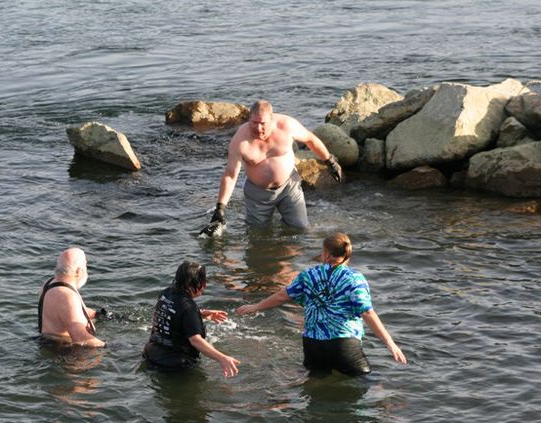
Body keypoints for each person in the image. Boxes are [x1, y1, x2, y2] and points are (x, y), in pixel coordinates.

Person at [236, 233, 406, 375]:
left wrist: (255, 307)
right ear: (347, 254)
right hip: (343, 343)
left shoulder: (309, 274)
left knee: (315, 387)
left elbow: (282, 296)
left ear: (325, 253)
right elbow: (367, 313)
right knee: (368, 383)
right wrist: (390, 344)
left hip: (313, 345)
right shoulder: (354, 278)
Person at [201, 100, 342, 233]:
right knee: (257, 235)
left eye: (262, 123)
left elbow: (310, 139)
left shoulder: (286, 126)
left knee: (300, 230)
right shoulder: (240, 141)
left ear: (272, 119)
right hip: (258, 194)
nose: (258, 128)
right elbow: (231, 175)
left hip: (289, 187)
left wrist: (330, 162)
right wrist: (220, 208)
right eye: (254, 122)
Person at [143, 261, 240, 377]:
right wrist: (222, 358)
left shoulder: (167, 293)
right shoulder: (189, 307)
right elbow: (196, 340)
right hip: (174, 365)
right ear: (199, 284)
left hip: (150, 353)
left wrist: (201, 314)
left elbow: (167, 314)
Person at [38, 247, 106, 347]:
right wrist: (113, 347)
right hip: (65, 352)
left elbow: (67, 311)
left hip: (48, 343)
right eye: (86, 266)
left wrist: (98, 315)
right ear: (79, 271)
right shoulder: (67, 296)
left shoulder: (49, 283)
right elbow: (81, 339)